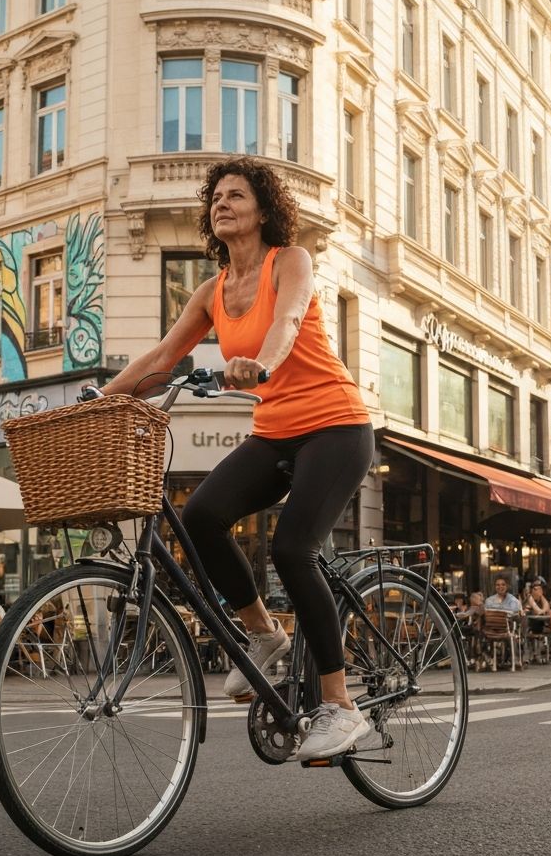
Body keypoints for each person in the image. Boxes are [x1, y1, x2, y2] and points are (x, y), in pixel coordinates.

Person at [99, 156, 374, 762]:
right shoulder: (212, 290)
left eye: (236, 195)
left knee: (292, 548)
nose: (222, 204)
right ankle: (265, 635)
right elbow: (161, 359)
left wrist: (261, 362)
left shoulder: (290, 260)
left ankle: (340, 705)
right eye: (217, 197)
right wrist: (99, 399)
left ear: (264, 208)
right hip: (275, 431)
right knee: (199, 518)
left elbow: (289, 318)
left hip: (335, 424)